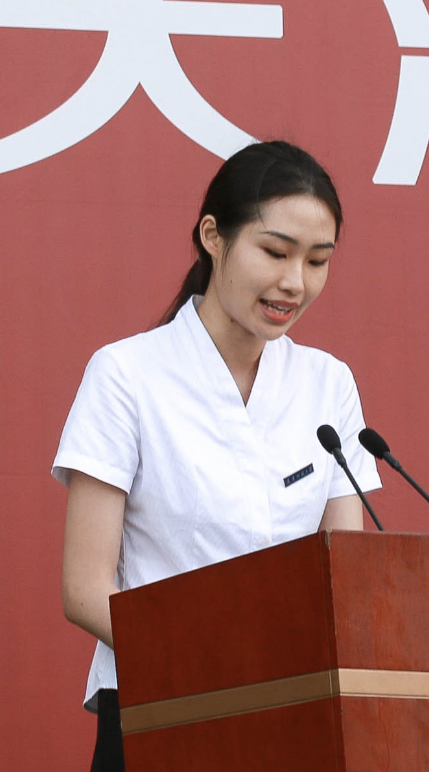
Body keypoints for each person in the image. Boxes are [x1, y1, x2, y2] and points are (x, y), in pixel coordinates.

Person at [54, 141, 381, 772]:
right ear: (213, 236)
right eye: (276, 252)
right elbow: (85, 589)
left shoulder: (328, 384)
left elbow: (347, 577)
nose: (296, 282)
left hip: (291, 711)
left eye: (317, 261)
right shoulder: (127, 374)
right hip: (161, 703)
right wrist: (216, 658)